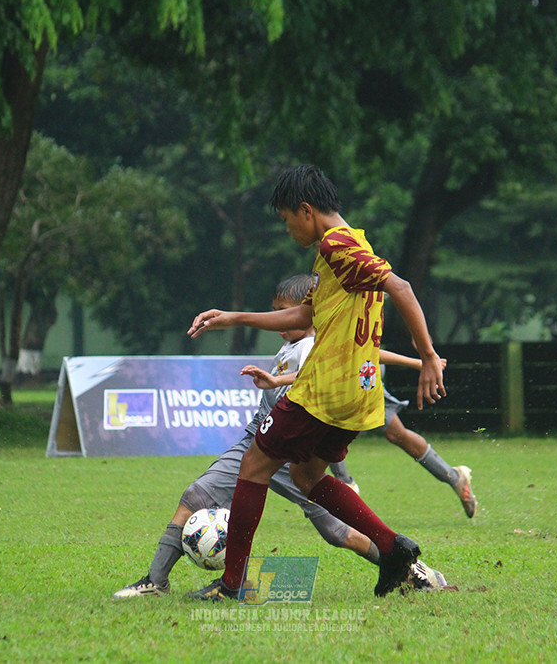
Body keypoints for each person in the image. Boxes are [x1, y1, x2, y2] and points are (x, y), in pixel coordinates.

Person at [187, 164, 446, 600]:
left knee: (253, 467)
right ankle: (392, 547)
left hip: (323, 390)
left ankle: (231, 585)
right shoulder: (348, 245)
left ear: (306, 211)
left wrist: (428, 356)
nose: (288, 230)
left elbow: (400, 287)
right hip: (357, 395)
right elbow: (304, 316)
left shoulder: (337, 246)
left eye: (288, 220)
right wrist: (232, 317)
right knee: (307, 476)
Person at [113, 275, 449, 598]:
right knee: (196, 495)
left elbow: (351, 360)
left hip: (292, 451)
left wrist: (421, 361)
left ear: (307, 310)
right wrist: (416, 361)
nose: (279, 318)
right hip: (257, 438)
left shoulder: (312, 345)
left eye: (284, 311)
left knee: (337, 532)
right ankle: (157, 581)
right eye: (276, 310)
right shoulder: (292, 345)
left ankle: (413, 571)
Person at [329, 349, 477, 518]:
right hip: (356, 369)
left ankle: (346, 485)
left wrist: (419, 362)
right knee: (395, 433)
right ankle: (455, 478)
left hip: (359, 371)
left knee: (330, 420)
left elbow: (367, 350)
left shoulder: (329, 332)